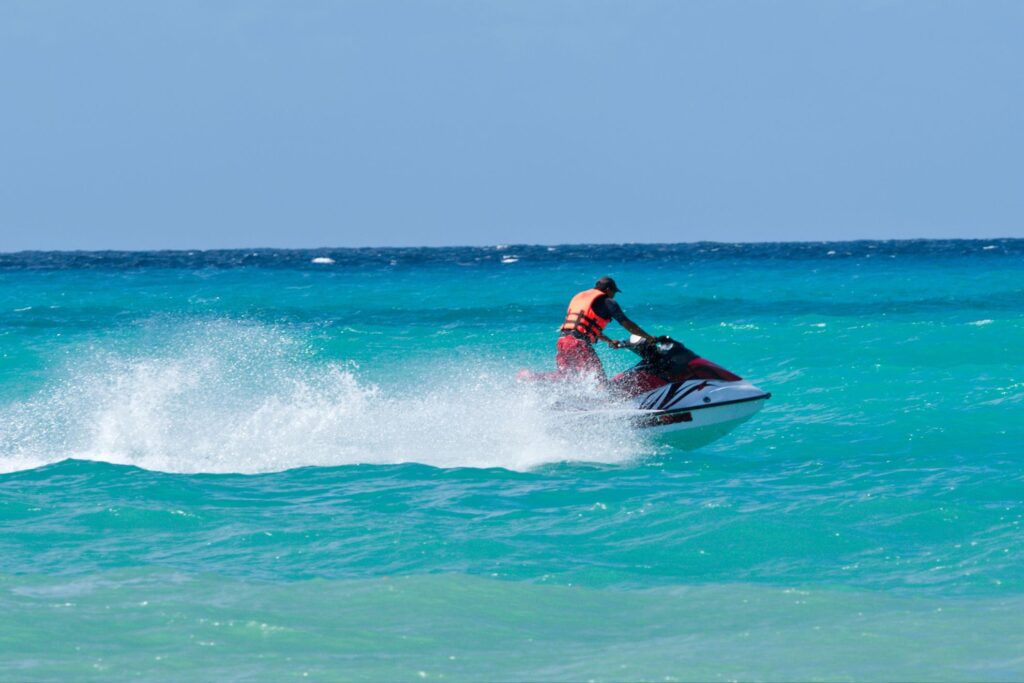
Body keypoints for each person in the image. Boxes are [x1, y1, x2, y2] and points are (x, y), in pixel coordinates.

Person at [557, 276, 655, 382]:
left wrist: (609, 341)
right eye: (614, 293)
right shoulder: (607, 302)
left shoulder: (579, 297)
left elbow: (584, 328)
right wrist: (648, 337)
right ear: (608, 290)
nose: (614, 296)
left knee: (569, 378)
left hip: (562, 342)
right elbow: (627, 323)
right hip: (578, 344)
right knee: (600, 381)